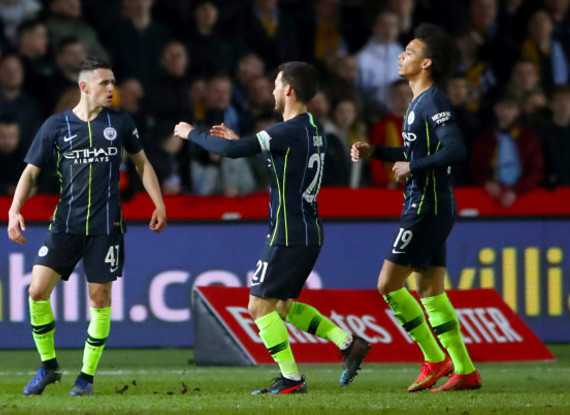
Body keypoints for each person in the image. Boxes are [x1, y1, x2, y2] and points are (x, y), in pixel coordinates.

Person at [174, 61, 370, 395]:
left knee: (258, 306)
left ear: (289, 90)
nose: (274, 91)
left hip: (289, 232)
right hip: (307, 229)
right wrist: (244, 141)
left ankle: (292, 379)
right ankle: (346, 341)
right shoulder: (312, 128)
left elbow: (232, 151)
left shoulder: (288, 129)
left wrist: (190, 133)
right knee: (280, 306)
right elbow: (281, 164)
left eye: (277, 85)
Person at [7, 57, 167, 396]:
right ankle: (49, 366)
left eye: (113, 82)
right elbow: (31, 172)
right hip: (64, 224)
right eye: (104, 83)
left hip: (106, 228)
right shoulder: (56, 125)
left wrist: (159, 203)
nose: (111, 88)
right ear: (84, 87)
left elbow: (143, 164)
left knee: (99, 299)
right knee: (36, 291)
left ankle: (85, 377)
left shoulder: (120, 123)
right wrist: (14, 210)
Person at [351, 23, 482, 392]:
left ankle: (435, 358)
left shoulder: (435, 100)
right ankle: (464, 369)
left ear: (426, 63)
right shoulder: (416, 103)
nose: (400, 55)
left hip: (428, 204)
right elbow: (417, 153)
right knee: (430, 292)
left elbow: (455, 149)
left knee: (388, 284)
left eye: (408, 51)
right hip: (431, 203)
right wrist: (376, 152)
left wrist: (413, 167)